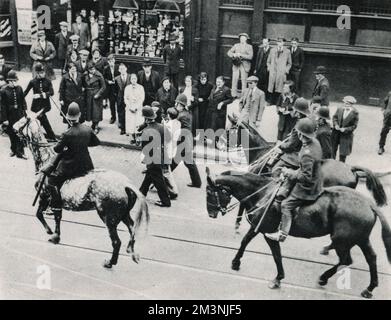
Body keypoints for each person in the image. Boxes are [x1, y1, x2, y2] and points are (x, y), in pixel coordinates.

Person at [265, 118, 323, 242]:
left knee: (285, 205)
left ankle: (282, 234)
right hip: (317, 178)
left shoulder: (307, 152)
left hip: (308, 187)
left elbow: (305, 177)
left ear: (301, 134)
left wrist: (289, 172)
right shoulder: (314, 143)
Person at [41, 102, 100, 216]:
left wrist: (64, 145)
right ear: (79, 115)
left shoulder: (67, 133)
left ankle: (55, 207)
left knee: (51, 181)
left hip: (70, 167)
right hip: (86, 164)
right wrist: (83, 144)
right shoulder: (87, 129)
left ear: (68, 117)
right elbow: (96, 142)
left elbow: (57, 149)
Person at [139, 106, 172, 208]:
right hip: (162, 155)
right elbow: (169, 138)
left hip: (152, 158)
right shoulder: (162, 127)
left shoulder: (146, 131)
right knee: (149, 176)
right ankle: (141, 193)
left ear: (146, 119)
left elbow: (144, 148)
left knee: (158, 180)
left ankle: (165, 201)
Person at [272, 98, 312, 173]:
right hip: (304, 154)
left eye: (293, 110)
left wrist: (280, 145)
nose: (291, 111)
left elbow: (291, 145)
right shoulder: (306, 121)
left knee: (275, 170)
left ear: (298, 112)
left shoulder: (299, 125)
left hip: (295, 156)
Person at [171, 94, 202, 188]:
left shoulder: (181, 116)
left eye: (177, 104)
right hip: (186, 141)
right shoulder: (186, 113)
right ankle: (197, 182)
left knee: (176, 161)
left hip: (184, 142)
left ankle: (163, 176)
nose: (176, 106)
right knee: (188, 162)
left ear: (181, 105)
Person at [24, 63, 56, 141]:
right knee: (41, 119)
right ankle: (49, 136)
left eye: (42, 72)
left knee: (41, 118)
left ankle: (49, 135)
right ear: (36, 73)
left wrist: (40, 95)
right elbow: (25, 92)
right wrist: (20, 98)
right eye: (39, 73)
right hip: (36, 106)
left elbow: (51, 92)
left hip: (45, 105)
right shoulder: (32, 82)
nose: (41, 74)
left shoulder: (48, 81)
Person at [0, 71, 27, 159]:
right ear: (9, 81)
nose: (15, 83)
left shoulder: (19, 88)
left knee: (20, 133)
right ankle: (13, 150)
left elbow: (23, 100)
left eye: (16, 81)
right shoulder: (3, 91)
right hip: (9, 115)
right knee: (11, 133)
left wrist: (25, 111)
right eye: (13, 81)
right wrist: (4, 119)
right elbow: (2, 106)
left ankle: (20, 152)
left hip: (19, 114)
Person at [206, 76, 234, 147]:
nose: (217, 83)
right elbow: (211, 96)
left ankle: (215, 143)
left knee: (217, 127)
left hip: (219, 112)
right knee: (210, 126)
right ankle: (211, 142)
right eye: (216, 82)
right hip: (211, 110)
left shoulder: (226, 90)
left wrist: (222, 103)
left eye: (219, 82)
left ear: (223, 82)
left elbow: (230, 99)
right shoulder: (214, 88)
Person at [331, 96, 359, 163]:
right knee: (332, 150)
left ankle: (341, 166)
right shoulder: (340, 109)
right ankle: (331, 164)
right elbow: (334, 118)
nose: (346, 105)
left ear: (352, 105)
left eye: (348, 104)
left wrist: (346, 129)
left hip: (346, 135)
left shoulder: (355, 113)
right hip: (336, 133)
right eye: (345, 103)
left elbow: (354, 126)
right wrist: (336, 125)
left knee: (343, 153)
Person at [227, 33, 254, 98]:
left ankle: (243, 96)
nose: (241, 39)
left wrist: (241, 55)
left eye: (243, 38)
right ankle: (233, 95)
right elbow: (229, 52)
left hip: (245, 66)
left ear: (246, 39)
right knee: (234, 80)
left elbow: (250, 56)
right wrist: (234, 55)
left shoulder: (249, 46)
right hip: (236, 65)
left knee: (244, 81)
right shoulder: (236, 45)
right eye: (241, 38)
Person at [267, 37, 292, 105]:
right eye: (278, 42)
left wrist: (286, 70)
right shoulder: (272, 50)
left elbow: (289, 63)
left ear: (283, 43)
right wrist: (269, 68)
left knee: (280, 88)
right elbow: (268, 61)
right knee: (272, 87)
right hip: (273, 72)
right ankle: (270, 101)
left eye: (281, 42)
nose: (279, 43)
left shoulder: (287, 51)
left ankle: (278, 102)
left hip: (281, 73)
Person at [84, 62, 106, 134]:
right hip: (88, 95)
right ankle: (93, 124)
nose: (92, 71)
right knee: (90, 111)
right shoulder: (85, 75)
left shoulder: (99, 75)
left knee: (96, 111)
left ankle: (96, 126)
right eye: (90, 70)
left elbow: (103, 87)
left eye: (93, 69)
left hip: (96, 95)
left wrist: (98, 94)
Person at [124, 73, 145, 144]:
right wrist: (130, 107)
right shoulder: (127, 88)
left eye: (135, 79)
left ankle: (138, 139)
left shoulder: (141, 87)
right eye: (132, 79)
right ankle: (133, 138)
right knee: (131, 124)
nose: (134, 80)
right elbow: (125, 98)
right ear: (130, 80)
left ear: (137, 79)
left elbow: (142, 98)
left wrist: (136, 107)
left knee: (138, 123)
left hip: (138, 109)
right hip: (130, 109)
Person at [115, 63, 132, 135]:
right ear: (119, 70)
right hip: (120, 98)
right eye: (120, 69)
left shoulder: (130, 77)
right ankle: (122, 128)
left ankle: (128, 128)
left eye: (123, 68)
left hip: (129, 98)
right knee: (121, 113)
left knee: (129, 113)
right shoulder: (116, 78)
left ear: (126, 69)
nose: (122, 70)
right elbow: (115, 90)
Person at [103, 54, 120, 124]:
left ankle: (120, 119)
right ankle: (113, 117)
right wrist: (108, 81)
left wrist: (116, 79)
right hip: (110, 89)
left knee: (119, 104)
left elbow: (121, 75)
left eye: (112, 61)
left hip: (118, 88)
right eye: (110, 61)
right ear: (108, 62)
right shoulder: (106, 68)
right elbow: (103, 78)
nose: (111, 63)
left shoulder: (118, 67)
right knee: (112, 104)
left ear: (114, 60)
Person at [254, 38, 271, 103]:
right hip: (260, 69)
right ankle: (258, 97)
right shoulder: (260, 49)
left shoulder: (271, 50)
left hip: (267, 69)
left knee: (266, 84)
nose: (265, 44)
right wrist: (255, 69)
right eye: (264, 42)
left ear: (269, 43)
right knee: (259, 83)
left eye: (266, 43)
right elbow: (257, 60)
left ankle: (265, 98)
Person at [378, 91, 391, 155]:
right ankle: (381, 147)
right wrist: (384, 109)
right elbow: (385, 101)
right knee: (384, 131)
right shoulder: (390, 93)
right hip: (388, 116)